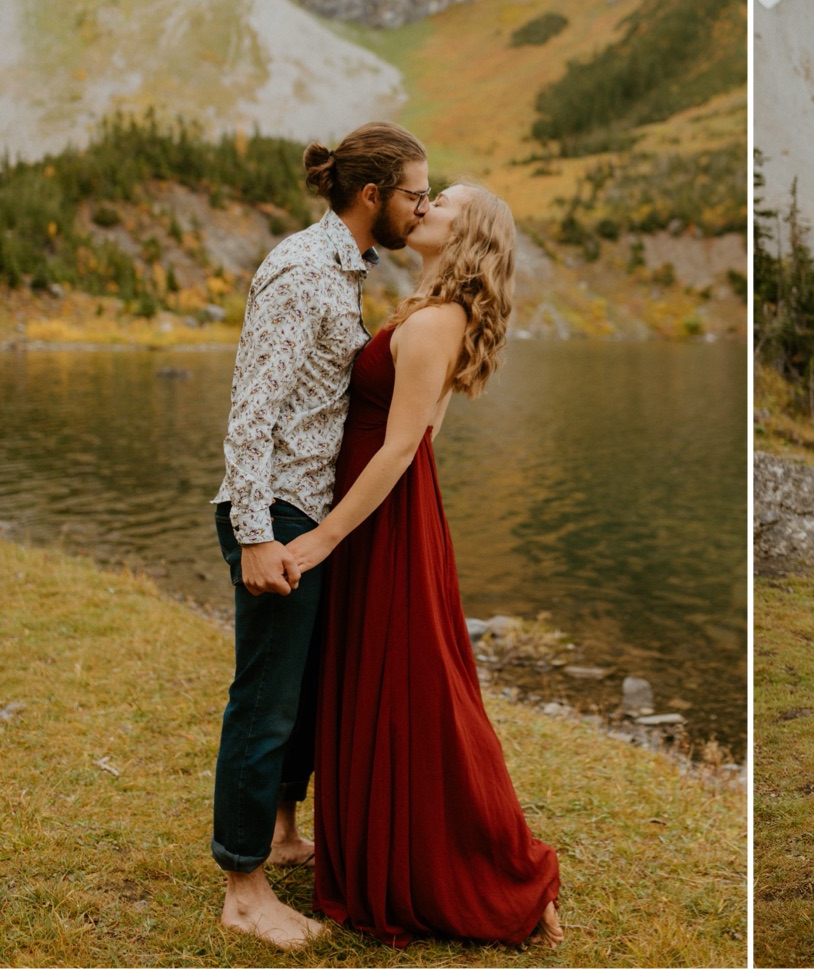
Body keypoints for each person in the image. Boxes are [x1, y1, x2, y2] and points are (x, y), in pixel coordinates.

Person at [284, 182, 563, 949]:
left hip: (382, 521)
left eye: (441, 202)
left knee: (419, 688)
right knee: (396, 680)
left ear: (465, 232)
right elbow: (416, 434)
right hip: (393, 518)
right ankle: (389, 845)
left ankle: (493, 868)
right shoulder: (431, 311)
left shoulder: (439, 319)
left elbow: (404, 446)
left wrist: (325, 538)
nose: (424, 206)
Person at [210, 122, 429, 949]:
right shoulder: (304, 270)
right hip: (278, 512)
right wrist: (258, 533)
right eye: (415, 191)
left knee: (294, 696)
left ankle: (279, 833)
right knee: (263, 701)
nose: (423, 205)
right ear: (372, 195)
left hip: (304, 505)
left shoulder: (345, 269)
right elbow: (251, 413)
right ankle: (243, 887)